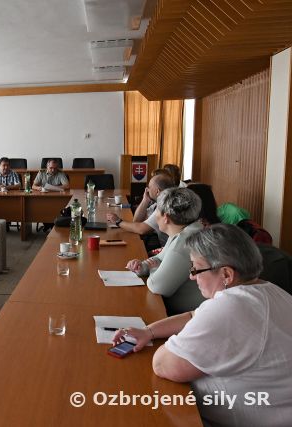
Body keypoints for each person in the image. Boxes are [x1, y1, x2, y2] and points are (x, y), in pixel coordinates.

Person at [113, 224, 292, 426]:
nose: (191, 276)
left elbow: (163, 364)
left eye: (196, 269)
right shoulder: (268, 290)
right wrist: (149, 331)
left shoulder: (231, 307)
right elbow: (193, 316)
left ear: (226, 274)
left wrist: (176, 342)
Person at [126, 187, 206, 314]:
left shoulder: (183, 243)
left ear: (166, 217)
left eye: (157, 210)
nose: (155, 215)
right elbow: (160, 258)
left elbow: (157, 286)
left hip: (186, 315)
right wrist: (143, 266)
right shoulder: (185, 230)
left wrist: (153, 268)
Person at [106, 173, 175, 246]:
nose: (147, 189)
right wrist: (145, 200)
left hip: (166, 249)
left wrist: (118, 221)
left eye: (149, 187)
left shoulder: (165, 207)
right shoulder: (157, 204)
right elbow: (137, 220)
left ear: (157, 191)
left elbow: (142, 229)